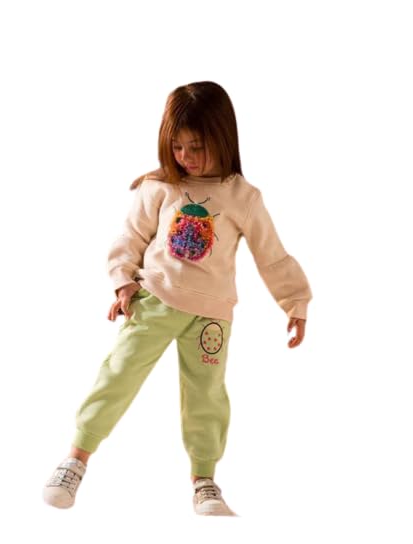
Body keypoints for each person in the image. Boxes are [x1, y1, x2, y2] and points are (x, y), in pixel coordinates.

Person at [43, 80, 312, 516]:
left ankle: (204, 480)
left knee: (206, 396)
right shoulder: (160, 186)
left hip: (211, 318)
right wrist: (123, 282)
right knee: (118, 375)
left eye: (197, 147)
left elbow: (272, 256)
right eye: (178, 146)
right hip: (154, 301)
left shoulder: (243, 198)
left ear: (224, 139)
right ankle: (75, 460)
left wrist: (295, 302)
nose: (186, 156)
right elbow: (130, 238)